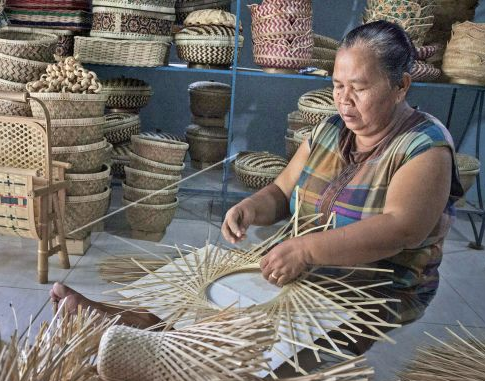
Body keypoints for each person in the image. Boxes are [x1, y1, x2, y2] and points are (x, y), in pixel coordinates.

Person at [51, 20, 463, 355]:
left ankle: (142, 336)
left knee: (242, 340)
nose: (344, 99)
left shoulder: (424, 145)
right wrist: (251, 207)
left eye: (359, 87)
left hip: (372, 287)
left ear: (402, 86)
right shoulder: (329, 129)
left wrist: (306, 250)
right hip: (303, 266)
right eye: (338, 85)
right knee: (206, 290)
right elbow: (282, 192)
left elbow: (401, 228)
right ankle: (137, 322)